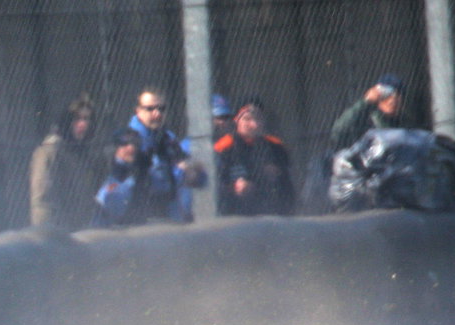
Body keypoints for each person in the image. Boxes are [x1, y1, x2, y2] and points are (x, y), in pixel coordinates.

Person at [122, 87, 205, 224]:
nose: (157, 113)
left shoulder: (167, 137)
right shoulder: (129, 140)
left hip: (169, 212)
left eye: (161, 108)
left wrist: (190, 169)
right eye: (150, 109)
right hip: (141, 215)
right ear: (138, 111)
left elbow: (192, 171)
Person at [29, 94, 105, 231]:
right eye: (77, 119)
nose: (83, 124)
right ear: (66, 121)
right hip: (59, 236)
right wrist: (51, 236)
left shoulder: (84, 153)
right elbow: (43, 201)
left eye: (87, 119)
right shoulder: (50, 151)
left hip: (83, 232)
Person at [213, 97, 295, 217]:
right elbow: (214, 184)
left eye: (258, 119)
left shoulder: (275, 145)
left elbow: (288, 182)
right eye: (247, 119)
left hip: (271, 209)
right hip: (235, 212)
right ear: (236, 120)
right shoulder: (224, 146)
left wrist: (277, 174)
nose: (254, 124)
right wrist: (234, 187)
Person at [330, 73, 411, 152]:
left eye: (397, 95)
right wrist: (366, 102)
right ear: (378, 96)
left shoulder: (405, 123)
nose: (392, 100)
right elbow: (338, 133)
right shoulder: (364, 120)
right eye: (387, 95)